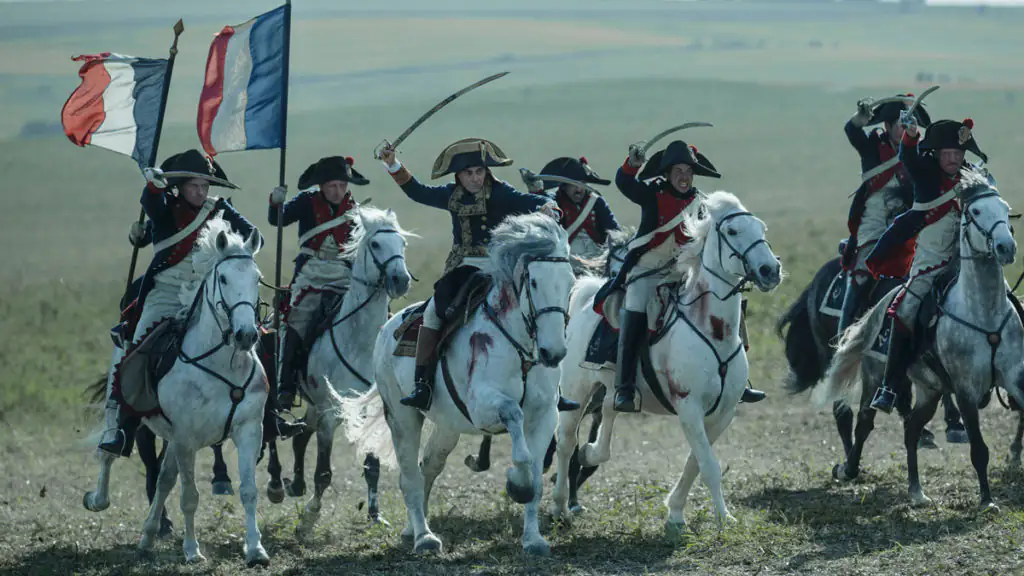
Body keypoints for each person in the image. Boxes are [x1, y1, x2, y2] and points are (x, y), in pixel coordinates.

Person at [378, 138, 579, 412]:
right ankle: (423, 385)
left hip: (498, 269)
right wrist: (393, 165)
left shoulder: (501, 193)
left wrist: (547, 206)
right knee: (433, 314)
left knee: (537, 309)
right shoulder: (450, 195)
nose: (475, 178)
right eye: (469, 173)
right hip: (462, 269)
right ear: (458, 176)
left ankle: (554, 389)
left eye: (479, 172)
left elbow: (534, 200)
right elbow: (418, 192)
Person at [99, 149, 278, 456]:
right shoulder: (165, 208)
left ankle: (270, 416)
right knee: (137, 351)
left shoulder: (218, 208)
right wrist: (154, 186)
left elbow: (253, 236)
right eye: (194, 186)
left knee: (257, 340)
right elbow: (151, 203)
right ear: (180, 187)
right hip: (165, 296)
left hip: (206, 297)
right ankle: (122, 428)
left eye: (205, 186)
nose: (200, 191)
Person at [596, 140, 766, 413]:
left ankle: (740, 380)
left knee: (727, 298)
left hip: (684, 272)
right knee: (636, 307)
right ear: (667, 174)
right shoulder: (651, 194)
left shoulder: (703, 203)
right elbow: (624, 183)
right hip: (648, 270)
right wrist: (632, 165)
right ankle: (624, 386)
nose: (684, 177)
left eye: (688, 171)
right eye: (678, 171)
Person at [865, 116, 988, 414]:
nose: (953, 159)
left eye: (958, 153)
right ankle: (889, 386)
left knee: (1005, 301)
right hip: (931, 265)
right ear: (936, 154)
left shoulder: (974, 177)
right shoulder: (925, 172)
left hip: (967, 265)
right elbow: (907, 156)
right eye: (947, 154)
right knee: (904, 310)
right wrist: (910, 134)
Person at [268, 155, 367, 409]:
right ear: (321, 186)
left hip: (345, 277)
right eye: (332, 186)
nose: (338, 191)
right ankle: (287, 387)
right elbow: (277, 220)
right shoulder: (306, 202)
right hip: (311, 275)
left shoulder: (356, 210)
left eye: (342, 185)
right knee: (298, 320)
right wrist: (275, 203)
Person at [838, 93, 931, 336]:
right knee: (862, 275)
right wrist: (859, 119)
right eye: (900, 123)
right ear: (887, 126)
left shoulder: (920, 151)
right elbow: (852, 131)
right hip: (875, 225)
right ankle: (843, 337)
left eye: (910, 122)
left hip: (910, 227)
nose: (906, 127)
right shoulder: (872, 147)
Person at [524, 156, 621, 274]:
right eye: (573, 184)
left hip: (597, 263)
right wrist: (537, 192)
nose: (579, 189)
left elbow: (614, 231)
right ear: (564, 186)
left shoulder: (596, 202)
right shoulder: (554, 200)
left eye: (582, 183)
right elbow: (544, 204)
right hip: (566, 264)